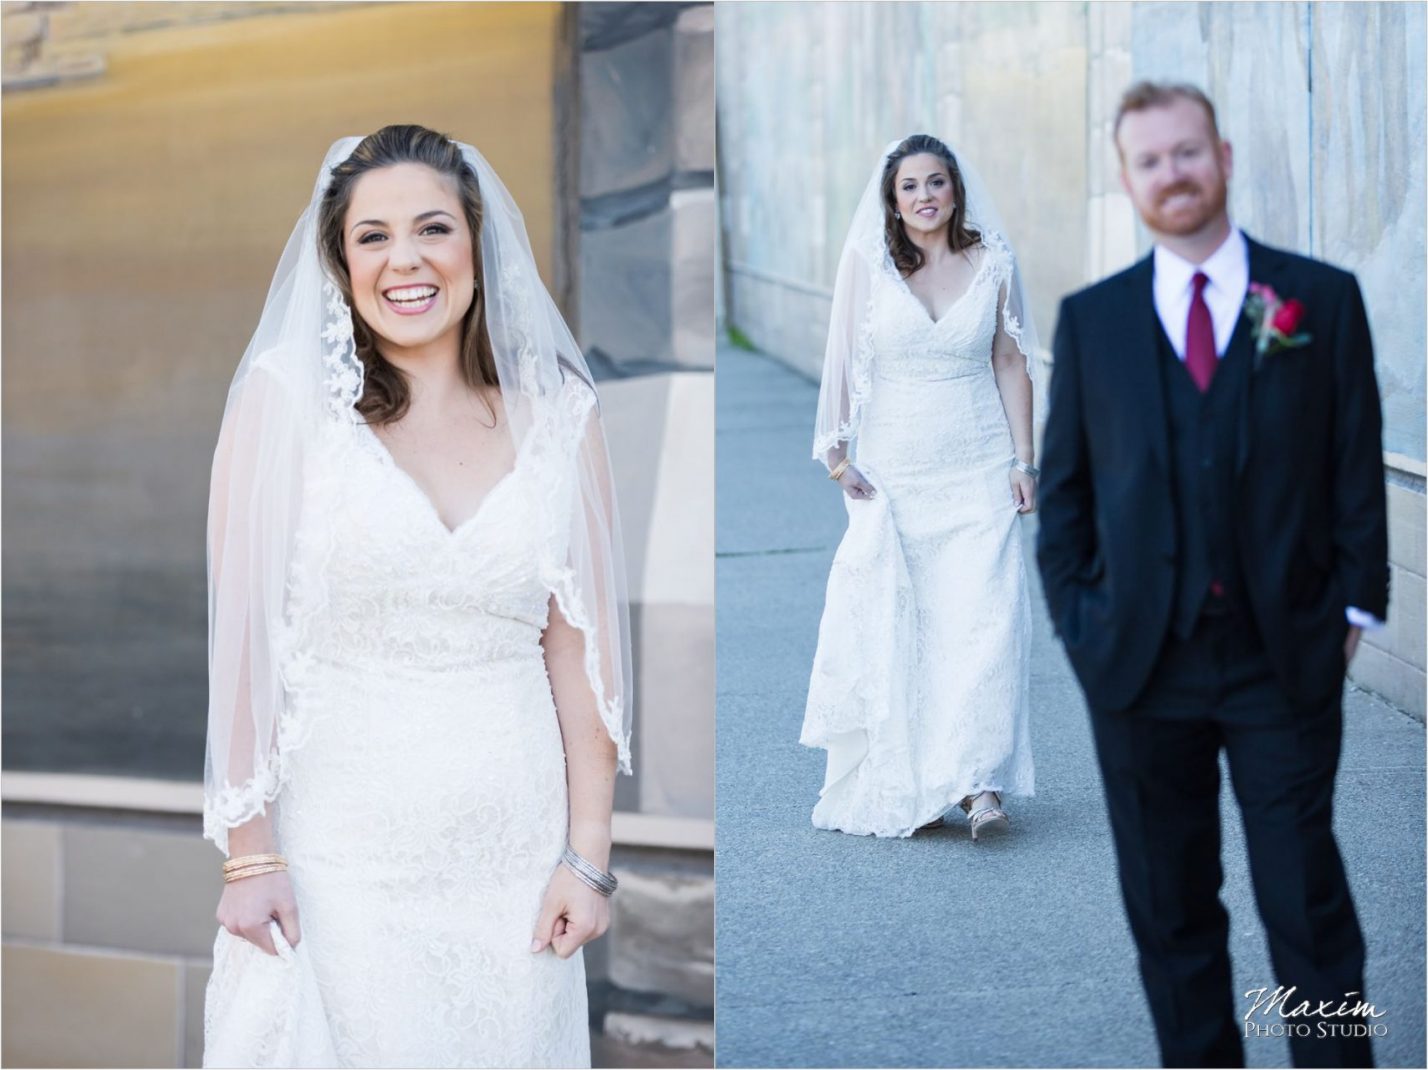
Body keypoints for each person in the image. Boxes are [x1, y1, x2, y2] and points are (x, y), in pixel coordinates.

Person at [201, 125, 633, 1067]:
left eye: (433, 227)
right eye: (372, 236)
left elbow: (579, 646)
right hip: (337, 859)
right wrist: (251, 853)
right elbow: (245, 643)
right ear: (340, 262)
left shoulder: (564, 415)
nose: (406, 259)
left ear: (477, 243)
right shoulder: (283, 405)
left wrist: (587, 854)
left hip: (513, 865)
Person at [1037, 82, 1387, 1068]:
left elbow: (1354, 461)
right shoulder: (1094, 321)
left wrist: (1352, 608)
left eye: (1187, 152)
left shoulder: (1317, 299)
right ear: (1126, 179)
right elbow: (1062, 499)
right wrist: (1083, 627)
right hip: (1140, 669)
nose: (1172, 174)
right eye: (1150, 160)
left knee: (1307, 903)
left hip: (1284, 656)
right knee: (1171, 909)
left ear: (1224, 156)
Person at [800, 134, 1038, 839]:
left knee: (984, 624)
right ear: (893, 200)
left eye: (937, 182)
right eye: (911, 186)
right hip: (896, 472)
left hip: (977, 465)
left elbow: (1009, 359)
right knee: (905, 625)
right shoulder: (868, 267)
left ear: (955, 191)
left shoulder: (993, 262)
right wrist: (838, 457)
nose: (926, 195)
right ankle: (913, 773)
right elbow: (842, 359)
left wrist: (1024, 461)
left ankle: (979, 783)